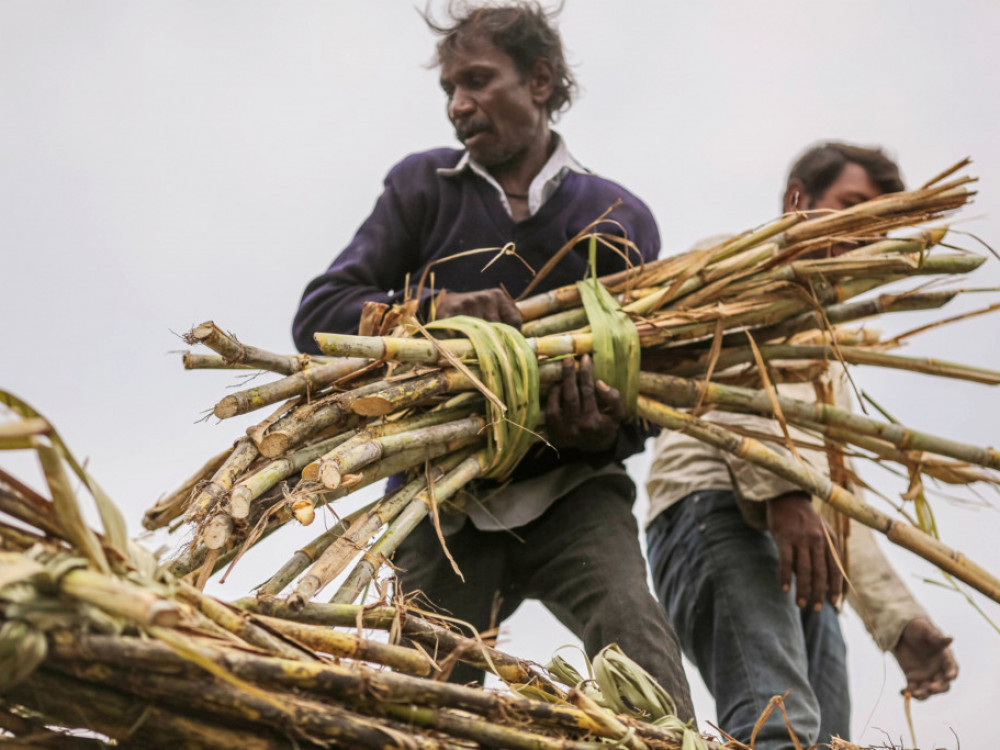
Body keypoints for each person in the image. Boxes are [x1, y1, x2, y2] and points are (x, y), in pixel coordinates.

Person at [293, 2, 695, 719]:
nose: (459, 105)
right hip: (441, 493)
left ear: (540, 82)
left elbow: (644, 383)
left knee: (640, 650)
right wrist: (434, 311)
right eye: (450, 89)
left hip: (571, 490)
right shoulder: (421, 188)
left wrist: (602, 427)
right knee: (421, 704)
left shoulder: (615, 216)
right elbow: (321, 314)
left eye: (478, 81)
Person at [644, 142, 958, 748]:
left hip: (805, 543)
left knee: (825, 740)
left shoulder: (830, 337)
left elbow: (836, 490)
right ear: (797, 202)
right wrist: (785, 492)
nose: (864, 229)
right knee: (777, 728)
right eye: (852, 205)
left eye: (879, 221)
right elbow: (732, 371)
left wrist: (897, 622)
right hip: (715, 510)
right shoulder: (733, 261)